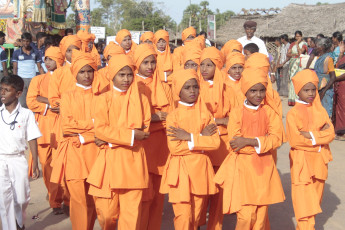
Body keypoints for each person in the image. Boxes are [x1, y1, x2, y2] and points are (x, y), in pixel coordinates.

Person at [214, 67, 285, 230]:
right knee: (246, 217)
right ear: (245, 91)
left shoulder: (269, 112)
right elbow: (234, 144)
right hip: (243, 171)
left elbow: (277, 139)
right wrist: (262, 143)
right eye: (253, 90)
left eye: (262, 90)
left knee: (260, 219)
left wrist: (249, 141)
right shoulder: (237, 113)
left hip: (264, 171)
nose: (258, 95)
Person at [87, 54, 151, 229]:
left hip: (134, 164)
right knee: (106, 216)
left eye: (129, 75)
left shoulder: (142, 100)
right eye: (121, 75)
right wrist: (130, 136)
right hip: (109, 164)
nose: (126, 79)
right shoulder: (102, 99)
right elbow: (100, 129)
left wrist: (109, 139)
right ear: (112, 75)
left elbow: (143, 133)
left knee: (131, 218)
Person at [160, 68, 220, 229]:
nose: (192, 91)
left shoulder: (206, 115)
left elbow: (215, 143)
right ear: (178, 90)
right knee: (183, 217)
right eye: (187, 87)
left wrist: (190, 137)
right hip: (180, 172)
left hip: (201, 171)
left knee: (196, 217)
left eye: (195, 87)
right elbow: (175, 148)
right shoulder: (173, 116)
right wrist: (201, 137)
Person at [51, 50, 99, 230]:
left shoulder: (101, 97)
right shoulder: (67, 96)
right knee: (78, 202)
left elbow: (104, 126)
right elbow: (67, 127)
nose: (87, 75)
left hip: (96, 154)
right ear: (75, 73)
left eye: (90, 71)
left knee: (94, 201)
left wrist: (82, 133)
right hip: (74, 155)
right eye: (82, 72)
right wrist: (92, 125)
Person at [287, 69, 335, 230]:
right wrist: (320, 139)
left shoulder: (320, 111)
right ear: (298, 91)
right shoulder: (293, 114)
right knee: (303, 206)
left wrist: (311, 136)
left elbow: (331, 133)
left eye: (313, 89)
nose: (311, 93)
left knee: (315, 203)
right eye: (306, 90)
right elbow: (295, 140)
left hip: (320, 164)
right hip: (301, 165)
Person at [133, 44, 173, 230]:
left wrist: (153, 121)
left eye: (153, 62)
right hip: (140, 147)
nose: (150, 66)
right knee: (141, 197)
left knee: (158, 197)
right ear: (137, 63)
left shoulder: (164, 88)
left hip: (161, 147)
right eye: (145, 62)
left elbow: (171, 116)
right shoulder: (131, 85)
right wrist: (154, 118)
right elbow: (132, 120)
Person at [199, 47, 237, 230]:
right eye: (202, 64)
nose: (204, 68)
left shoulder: (228, 90)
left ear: (218, 66)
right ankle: (196, 223)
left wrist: (218, 120)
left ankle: (215, 226)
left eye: (209, 65)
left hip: (222, 145)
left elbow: (237, 118)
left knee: (219, 190)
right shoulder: (194, 86)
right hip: (201, 145)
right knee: (200, 190)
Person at [26, 46, 66, 215]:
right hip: (43, 127)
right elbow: (31, 101)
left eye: (52, 59)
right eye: (46, 59)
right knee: (46, 166)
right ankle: (54, 197)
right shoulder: (38, 79)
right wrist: (52, 104)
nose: (48, 62)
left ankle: (60, 199)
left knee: (61, 165)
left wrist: (46, 100)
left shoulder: (67, 77)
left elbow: (69, 99)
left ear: (60, 59)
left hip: (61, 126)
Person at [0, 75, 41, 230]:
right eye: (1, 89)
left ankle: (20, 222)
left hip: (18, 160)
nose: (2, 93)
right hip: (1, 160)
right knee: (4, 200)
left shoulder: (26, 114)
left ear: (18, 93)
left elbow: (32, 138)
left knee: (22, 199)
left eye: (7, 90)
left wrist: (35, 163)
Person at [12, 32, 45, 108]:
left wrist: (44, 78)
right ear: (21, 41)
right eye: (23, 41)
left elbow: (40, 67)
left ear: (30, 41)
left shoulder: (35, 53)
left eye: (27, 41)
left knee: (32, 100)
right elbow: (15, 68)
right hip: (21, 79)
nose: (25, 43)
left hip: (32, 79)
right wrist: (14, 80)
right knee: (22, 102)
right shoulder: (16, 53)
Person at [314, 38, 336, 117]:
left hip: (325, 90)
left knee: (325, 114)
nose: (316, 47)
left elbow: (333, 77)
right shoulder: (320, 57)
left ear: (322, 47)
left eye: (318, 46)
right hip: (318, 88)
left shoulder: (328, 59)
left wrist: (324, 91)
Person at [287, 30, 308, 106]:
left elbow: (300, 53)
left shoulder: (304, 44)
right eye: (296, 36)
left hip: (300, 64)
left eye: (299, 36)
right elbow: (288, 54)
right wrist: (294, 54)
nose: (297, 38)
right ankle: (292, 99)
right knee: (292, 80)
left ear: (301, 36)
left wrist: (297, 45)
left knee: (299, 80)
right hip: (293, 64)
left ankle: (298, 98)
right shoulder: (292, 44)